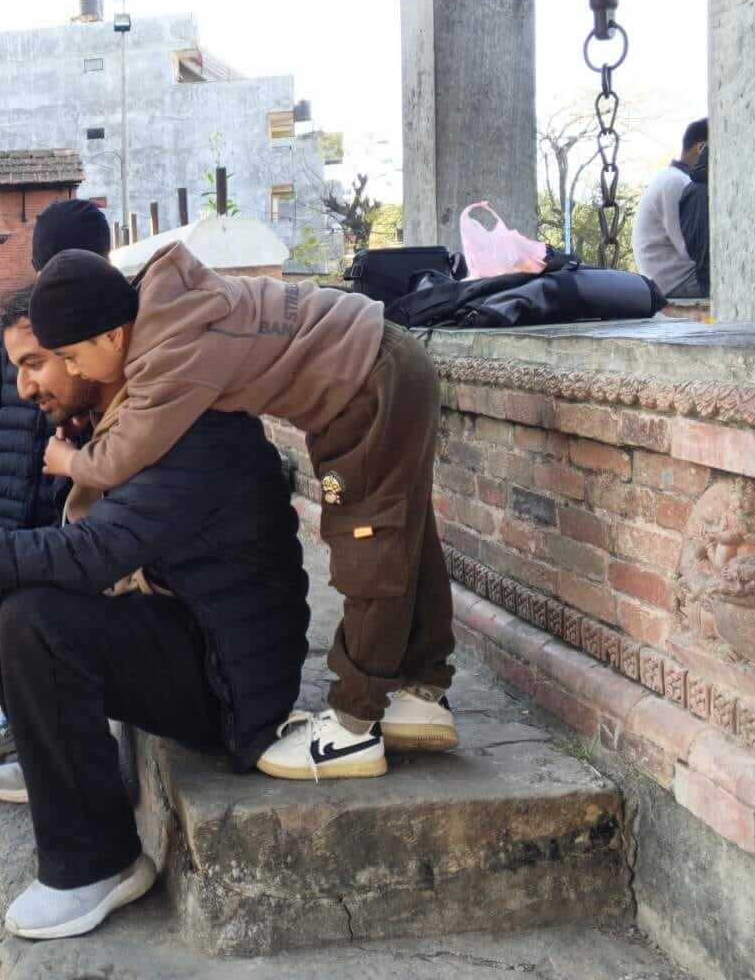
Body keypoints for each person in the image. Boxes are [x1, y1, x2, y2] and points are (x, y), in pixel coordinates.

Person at [0, 319, 310, 940]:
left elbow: (91, 553)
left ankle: (97, 862)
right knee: (1, 589)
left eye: (40, 361)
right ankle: (52, 769)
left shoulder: (185, 422)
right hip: (189, 634)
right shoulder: (128, 419)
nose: (23, 387)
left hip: (233, 687)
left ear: (102, 345)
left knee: (35, 616)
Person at [31, 245, 457, 782]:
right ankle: (423, 690)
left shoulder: (171, 351)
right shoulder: (169, 310)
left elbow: (125, 455)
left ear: (113, 336)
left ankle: (354, 725)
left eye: (72, 356)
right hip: (381, 366)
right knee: (404, 536)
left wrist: (71, 460)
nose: (74, 370)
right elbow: (139, 417)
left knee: (368, 541)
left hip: (370, 384)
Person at [0, 199, 112, 760]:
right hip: (9, 489)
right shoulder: (6, 333)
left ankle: (52, 715)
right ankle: (17, 712)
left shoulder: (96, 330)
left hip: (63, 490)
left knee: (45, 593)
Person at [632, 118, 709, 298]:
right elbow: (689, 248)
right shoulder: (678, 183)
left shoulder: (671, 178)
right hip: (676, 281)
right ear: (702, 148)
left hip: (665, 279)